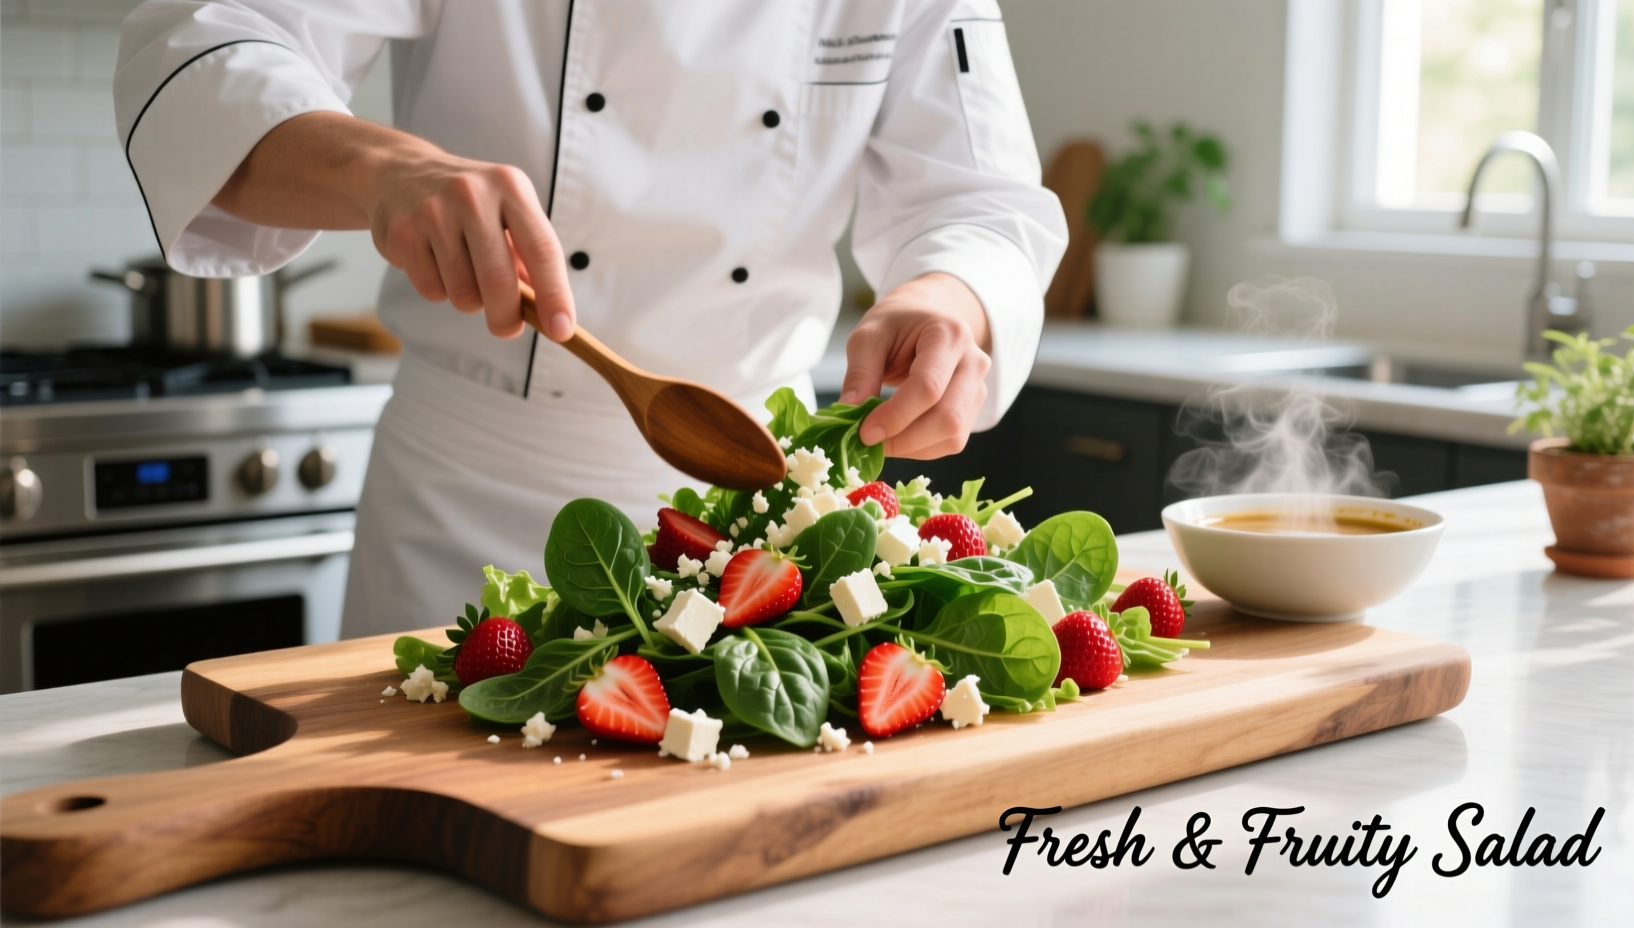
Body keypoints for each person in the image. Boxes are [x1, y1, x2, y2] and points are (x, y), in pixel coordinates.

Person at [114, 1, 1066, 637]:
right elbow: (203, 47)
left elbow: (981, 201)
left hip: (755, 514)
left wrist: (948, 295)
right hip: (467, 507)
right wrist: (380, 169)